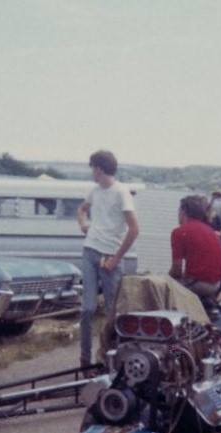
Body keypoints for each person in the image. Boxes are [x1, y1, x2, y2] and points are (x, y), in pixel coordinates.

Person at [76, 150, 139, 367]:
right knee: (87, 309)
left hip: (110, 255)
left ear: (99, 169)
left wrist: (116, 258)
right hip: (90, 250)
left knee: (113, 311)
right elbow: (81, 210)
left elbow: (134, 230)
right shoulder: (94, 191)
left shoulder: (121, 192)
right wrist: (83, 225)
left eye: (92, 168)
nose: (91, 173)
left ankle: (112, 359)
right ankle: (85, 361)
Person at [170, 195, 221, 299]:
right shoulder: (211, 231)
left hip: (198, 284)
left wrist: (165, 278)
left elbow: (176, 270)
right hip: (216, 283)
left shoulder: (179, 232)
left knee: (165, 288)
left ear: (183, 212)